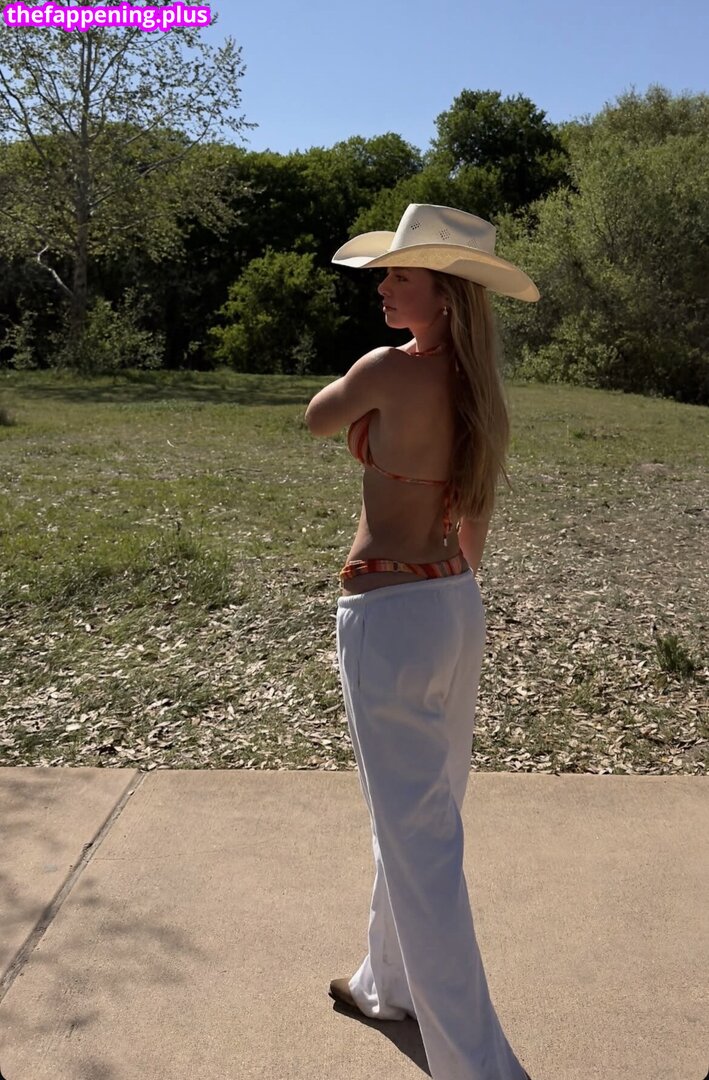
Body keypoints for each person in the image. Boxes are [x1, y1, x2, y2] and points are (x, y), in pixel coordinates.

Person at [305, 204, 539, 1080]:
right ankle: (386, 982)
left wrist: (373, 375)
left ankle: (477, 1065)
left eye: (400, 275)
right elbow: (473, 515)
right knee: (418, 815)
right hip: (450, 604)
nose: (383, 285)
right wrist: (456, 600)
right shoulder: (479, 391)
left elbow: (317, 417)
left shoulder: (385, 370)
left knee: (420, 840)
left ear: (445, 295)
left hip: (391, 613)